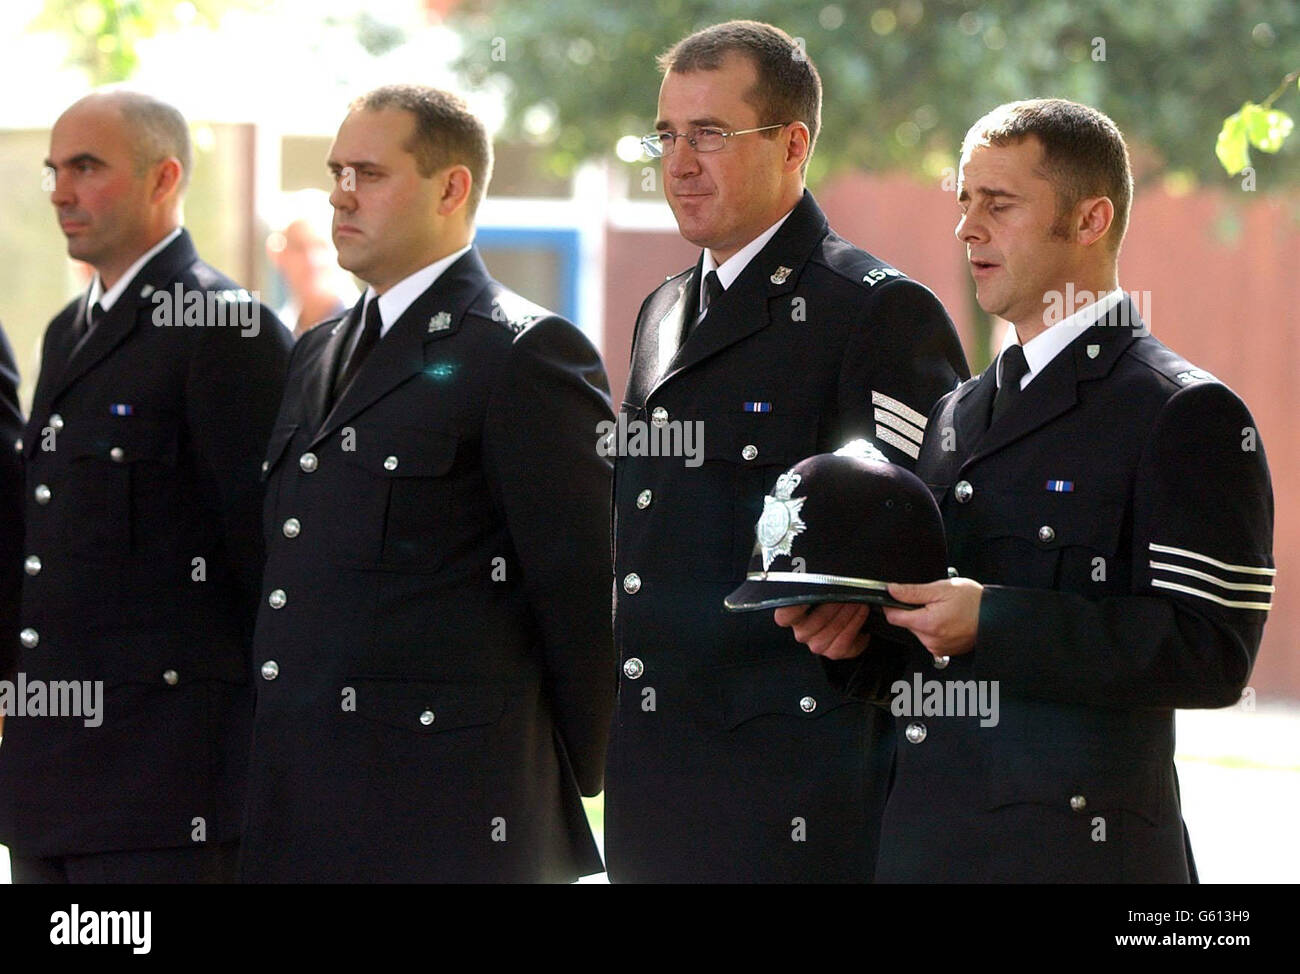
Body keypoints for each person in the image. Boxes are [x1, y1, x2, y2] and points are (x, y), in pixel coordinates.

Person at [781, 98, 1274, 882]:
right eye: (963, 203)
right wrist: (856, 644)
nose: (967, 228)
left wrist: (996, 621)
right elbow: (930, 667)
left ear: (1090, 220)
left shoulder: (1183, 413)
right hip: (926, 850)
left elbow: (1211, 655)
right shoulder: (955, 413)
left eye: (999, 205)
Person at [605, 20, 969, 883]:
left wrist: (867, 637)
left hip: (792, 797)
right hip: (656, 786)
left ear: (794, 143)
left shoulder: (874, 311)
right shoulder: (662, 310)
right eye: (666, 135)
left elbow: (933, 553)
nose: (679, 161)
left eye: (710, 134)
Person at [238, 84, 615, 882]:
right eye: (336, 172)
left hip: (447, 815)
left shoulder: (524, 352)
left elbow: (583, 591)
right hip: (300, 804)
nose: (342, 194)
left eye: (369, 174)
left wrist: (563, 773)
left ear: (453, 188)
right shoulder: (318, 350)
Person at [0, 91, 292, 882]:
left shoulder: (226, 329)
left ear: (164, 179)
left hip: (168, 791)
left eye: (87, 168)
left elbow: (270, 567)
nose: (61, 190)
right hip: (50, 786)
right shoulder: (70, 332)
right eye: (54, 170)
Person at [265, 189, 357, 337]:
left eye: (321, 246)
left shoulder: (363, 329)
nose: (312, 260)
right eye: (299, 247)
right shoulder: (277, 333)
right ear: (279, 256)